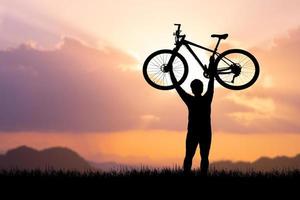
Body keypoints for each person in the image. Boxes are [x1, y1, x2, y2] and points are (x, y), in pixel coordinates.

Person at [170, 60, 216, 175]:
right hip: (206, 132)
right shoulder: (207, 98)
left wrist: (170, 70)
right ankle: (203, 177)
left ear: (192, 89)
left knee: (189, 156)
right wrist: (212, 65)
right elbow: (211, 81)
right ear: (201, 88)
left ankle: (186, 176)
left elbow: (176, 86)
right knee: (204, 157)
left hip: (193, 132)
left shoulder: (190, 100)